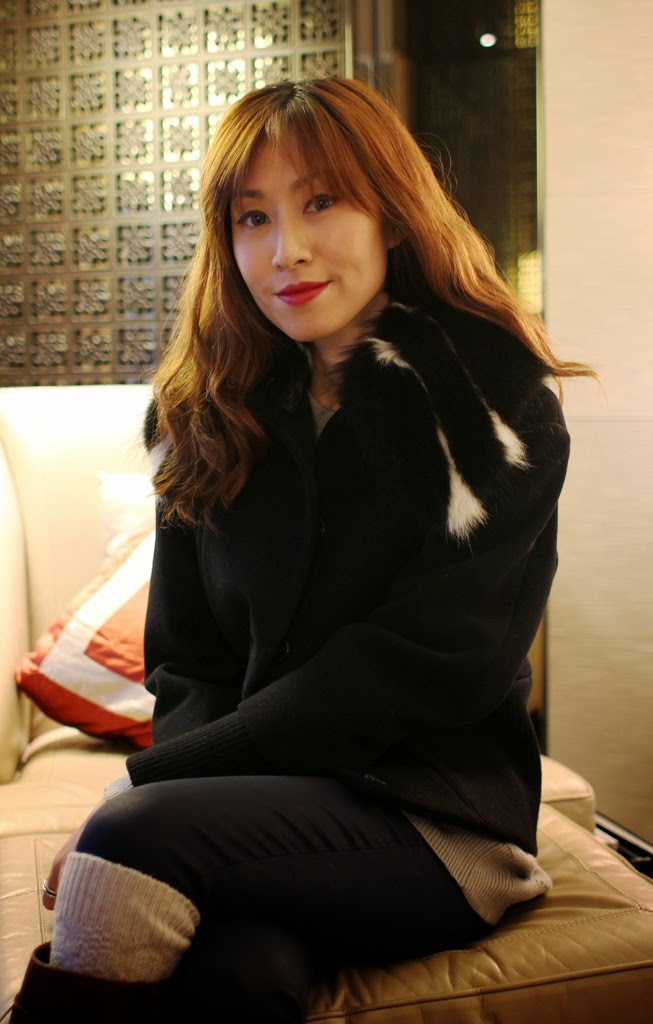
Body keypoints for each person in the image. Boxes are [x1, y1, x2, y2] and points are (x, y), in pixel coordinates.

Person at [11, 77, 591, 1024]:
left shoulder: (494, 404)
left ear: (391, 215)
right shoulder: (204, 413)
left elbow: (423, 663)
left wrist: (158, 792)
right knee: (238, 978)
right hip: (253, 813)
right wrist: (192, 787)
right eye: (253, 218)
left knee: (133, 837)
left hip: (430, 819)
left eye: (320, 202)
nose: (285, 249)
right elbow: (187, 659)